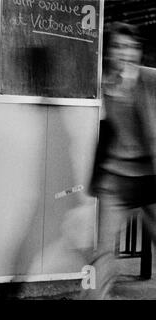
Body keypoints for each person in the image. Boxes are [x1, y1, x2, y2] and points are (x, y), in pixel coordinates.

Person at [86, 22, 156, 299]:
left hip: (151, 177)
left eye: (129, 47)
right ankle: (90, 296)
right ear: (109, 52)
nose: (124, 53)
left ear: (138, 51)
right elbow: (105, 131)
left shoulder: (151, 79)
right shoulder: (105, 83)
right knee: (101, 252)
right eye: (117, 47)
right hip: (117, 179)